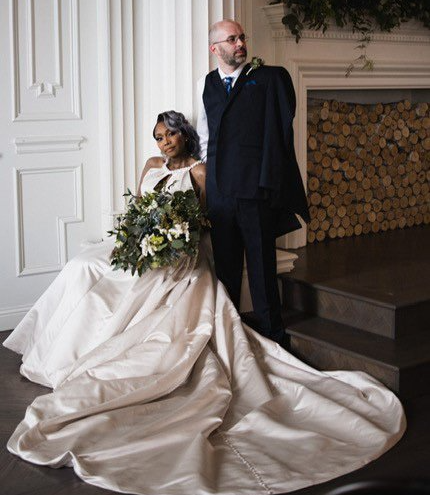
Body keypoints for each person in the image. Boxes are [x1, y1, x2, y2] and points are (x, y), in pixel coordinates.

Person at [3, 111, 405, 495]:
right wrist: (137, 237)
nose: (164, 143)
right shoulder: (151, 165)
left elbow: (212, 220)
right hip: (144, 246)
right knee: (83, 266)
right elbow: (137, 208)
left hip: (180, 253)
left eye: (170, 135)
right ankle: (71, 348)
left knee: (141, 293)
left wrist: (176, 236)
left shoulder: (198, 171)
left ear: (185, 135)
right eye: (158, 137)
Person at [197, 19, 310, 345]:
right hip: (220, 192)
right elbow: (206, 134)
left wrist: (267, 182)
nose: (240, 44)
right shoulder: (207, 83)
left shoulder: (265, 79)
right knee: (226, 270)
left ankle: (273, 334)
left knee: (261, 266)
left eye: (242, 37)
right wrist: (207, 179)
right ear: (215, 48)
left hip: (253, 190)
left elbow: (280, 121)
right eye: (232, 39)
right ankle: (230, 334)